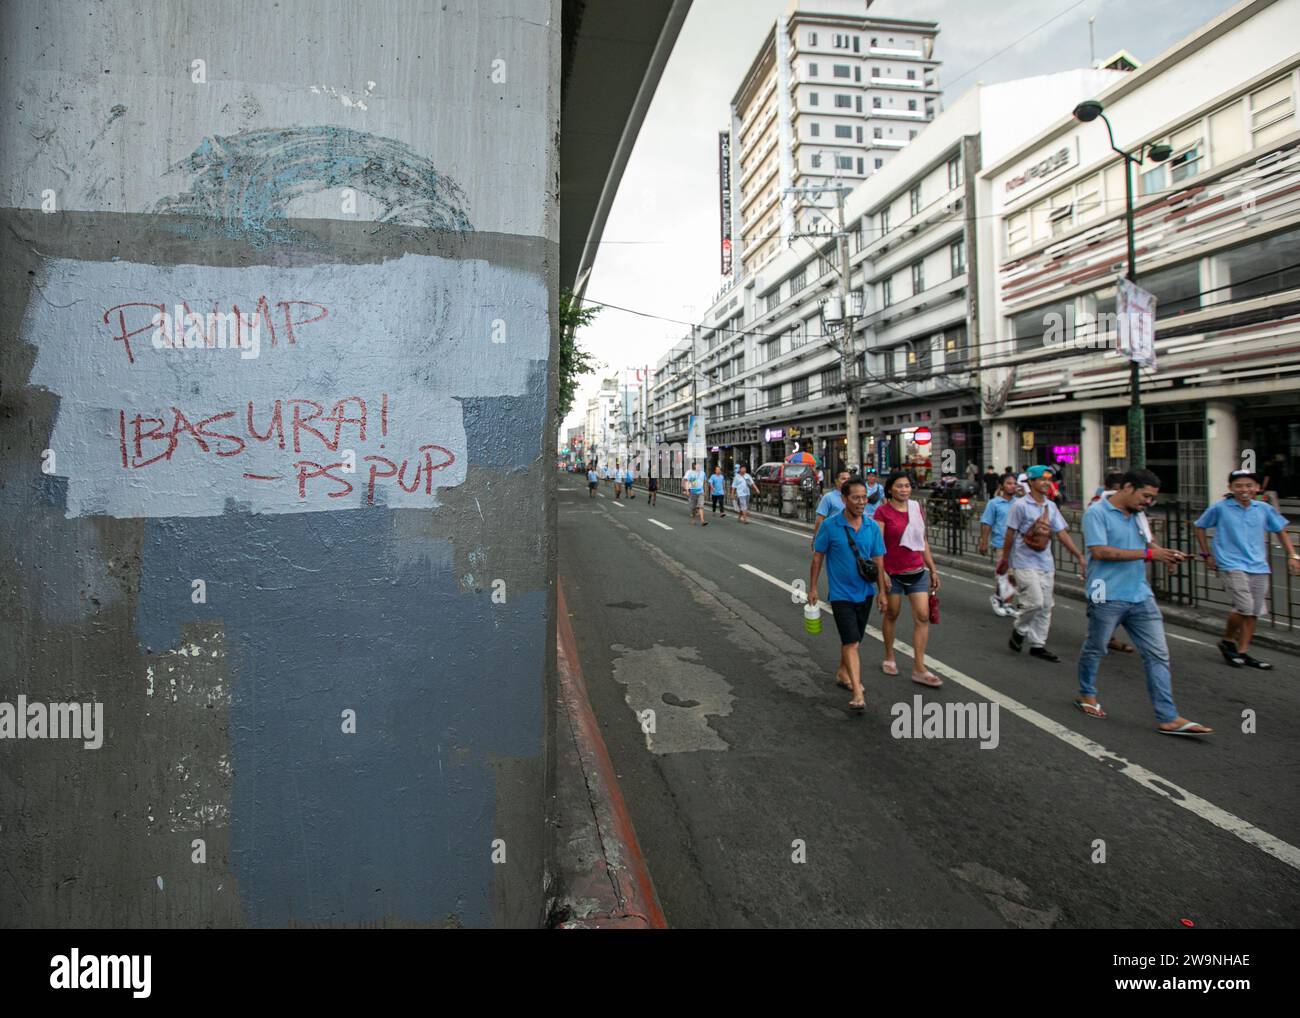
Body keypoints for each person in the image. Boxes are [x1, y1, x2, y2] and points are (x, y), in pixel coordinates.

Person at [1076, 469, 1212, 735]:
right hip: (1105, 593)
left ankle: (1168, 717)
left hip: (1140, 594)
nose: (1148, 502)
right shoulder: (1097, 513)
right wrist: (1150, 554)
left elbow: (1148, 542)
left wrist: (1166, 555)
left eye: (1152, 498)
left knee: (1158, 654)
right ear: (1127, 487)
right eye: (1145, 496)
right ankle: (1086, 693)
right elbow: (1100, 551)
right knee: (1096, 647)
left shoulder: (1139, 515)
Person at [1195, 469, 1300, 670]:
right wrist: (1207, 554)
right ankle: (1227, 639)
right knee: (1244, 606)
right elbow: (1199, 526)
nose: (1244, 489)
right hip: (1231, 564)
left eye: (1249, 485)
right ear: (1230, 488)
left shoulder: (1263, 508)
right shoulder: (1220, 508)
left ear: (1258, 488)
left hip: (1259, 565)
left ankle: (1243, 651)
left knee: (1253, 612)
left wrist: (1293, 555)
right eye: (1239, 485)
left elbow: (1281, 530)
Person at [808, 478, 889, 712]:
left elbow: (879, 560)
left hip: (865, 592)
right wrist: (813, 588)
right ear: (844, 499)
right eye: (856, 497)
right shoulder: (830, 526)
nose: (862, 502)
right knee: (851, 641)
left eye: (864, 497)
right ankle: (856, 692)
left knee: (855, 640)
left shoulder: (872, 527)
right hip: (840, 594)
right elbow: (817, 558)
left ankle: (843, 672)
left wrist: (882, 592)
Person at [1000, 465, 1085, 662]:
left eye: (1049, 479)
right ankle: (1020, 629)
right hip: (1023, 562)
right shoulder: (1020, 505)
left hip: (1046, 563)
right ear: (1031, 482)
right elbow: (1010, 533)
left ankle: (1038, 645)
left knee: (1046, 605)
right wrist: (1005, 559)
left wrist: (1078, 555)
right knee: (1035, 602)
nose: (1046, 483)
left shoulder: (1051, 506)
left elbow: (1062, 533)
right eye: (1042, 479)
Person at [874, 472, 942, 687]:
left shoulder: (916, 508)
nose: (904, 490)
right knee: (892, 613)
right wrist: (881, 572)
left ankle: (919, 667)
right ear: (890, 489)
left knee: (922, 617)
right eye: (899, 486)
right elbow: (877, 547)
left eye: (907, 486)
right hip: (892, 573)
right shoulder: (882, 512)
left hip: (916, 571)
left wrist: (932, 569)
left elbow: (922, 541)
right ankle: (889, 656)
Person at [978, 473, 1021, 617]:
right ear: (1002, 486)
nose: (1012, 486)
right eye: (1009, 483)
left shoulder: (1019, 503)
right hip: (1001, 544)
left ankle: (1008, 603)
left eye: (1014, 483)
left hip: (1018, 545)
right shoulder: (994, 503)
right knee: (1004, 575)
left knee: (1014, 576)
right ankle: (997, 599)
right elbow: (986, 522)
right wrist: (983, 541)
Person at [811, 469, 851, 548]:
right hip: (834, 538)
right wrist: (816, 537)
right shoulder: (828, 497)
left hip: (853, 537)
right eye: (843, 479)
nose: (847, 481)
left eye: (848, 479)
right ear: (836, 481)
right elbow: (820, 520)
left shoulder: (854, 497)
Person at [684, 461, 708, 526]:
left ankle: (702, 521)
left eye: (699, 465)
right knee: (694, 508)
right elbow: (687, 481)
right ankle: (693, 519)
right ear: (694, 466)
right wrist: (687, 490)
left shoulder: (703, 473)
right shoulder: (691, 473)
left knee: (701, 506)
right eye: (697, 465)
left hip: (701, 492)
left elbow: (705, 482)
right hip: (693, 492)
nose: (698, 466)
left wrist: (705, 491)